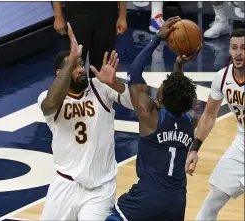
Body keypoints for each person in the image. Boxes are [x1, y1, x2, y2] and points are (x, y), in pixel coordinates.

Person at [105, 16, 200, 221]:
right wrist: (178, 67)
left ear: (161, 97)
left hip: (148, 197)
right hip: (176, 201)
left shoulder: (150, 117)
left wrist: (156, 38)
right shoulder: (189, 121)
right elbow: (179, 96)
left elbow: (134, 73)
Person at [38, 22, 133, 221]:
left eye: (81, 63)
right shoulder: (47, 98)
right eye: (75, 66)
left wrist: (115, 83)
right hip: (65, 184)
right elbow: (51, 104)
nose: (81, 68)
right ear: (60, 73)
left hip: (100, 188)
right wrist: (71, 59)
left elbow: (137, 104)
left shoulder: (100, 87)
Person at [186, 28, 245, 221]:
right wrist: (194, 149)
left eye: (243, 48)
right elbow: (210, 114)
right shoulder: (222, 77)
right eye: (234, 47)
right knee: (211, 202)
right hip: (241, 147)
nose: (238, 53)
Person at [52, 1, 127, 78]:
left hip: (107, 10)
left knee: (103, 62)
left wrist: (122, 15)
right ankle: (73, 89)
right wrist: (58, 15)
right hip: (76, 10)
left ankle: (100, 89)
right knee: (72, 62)